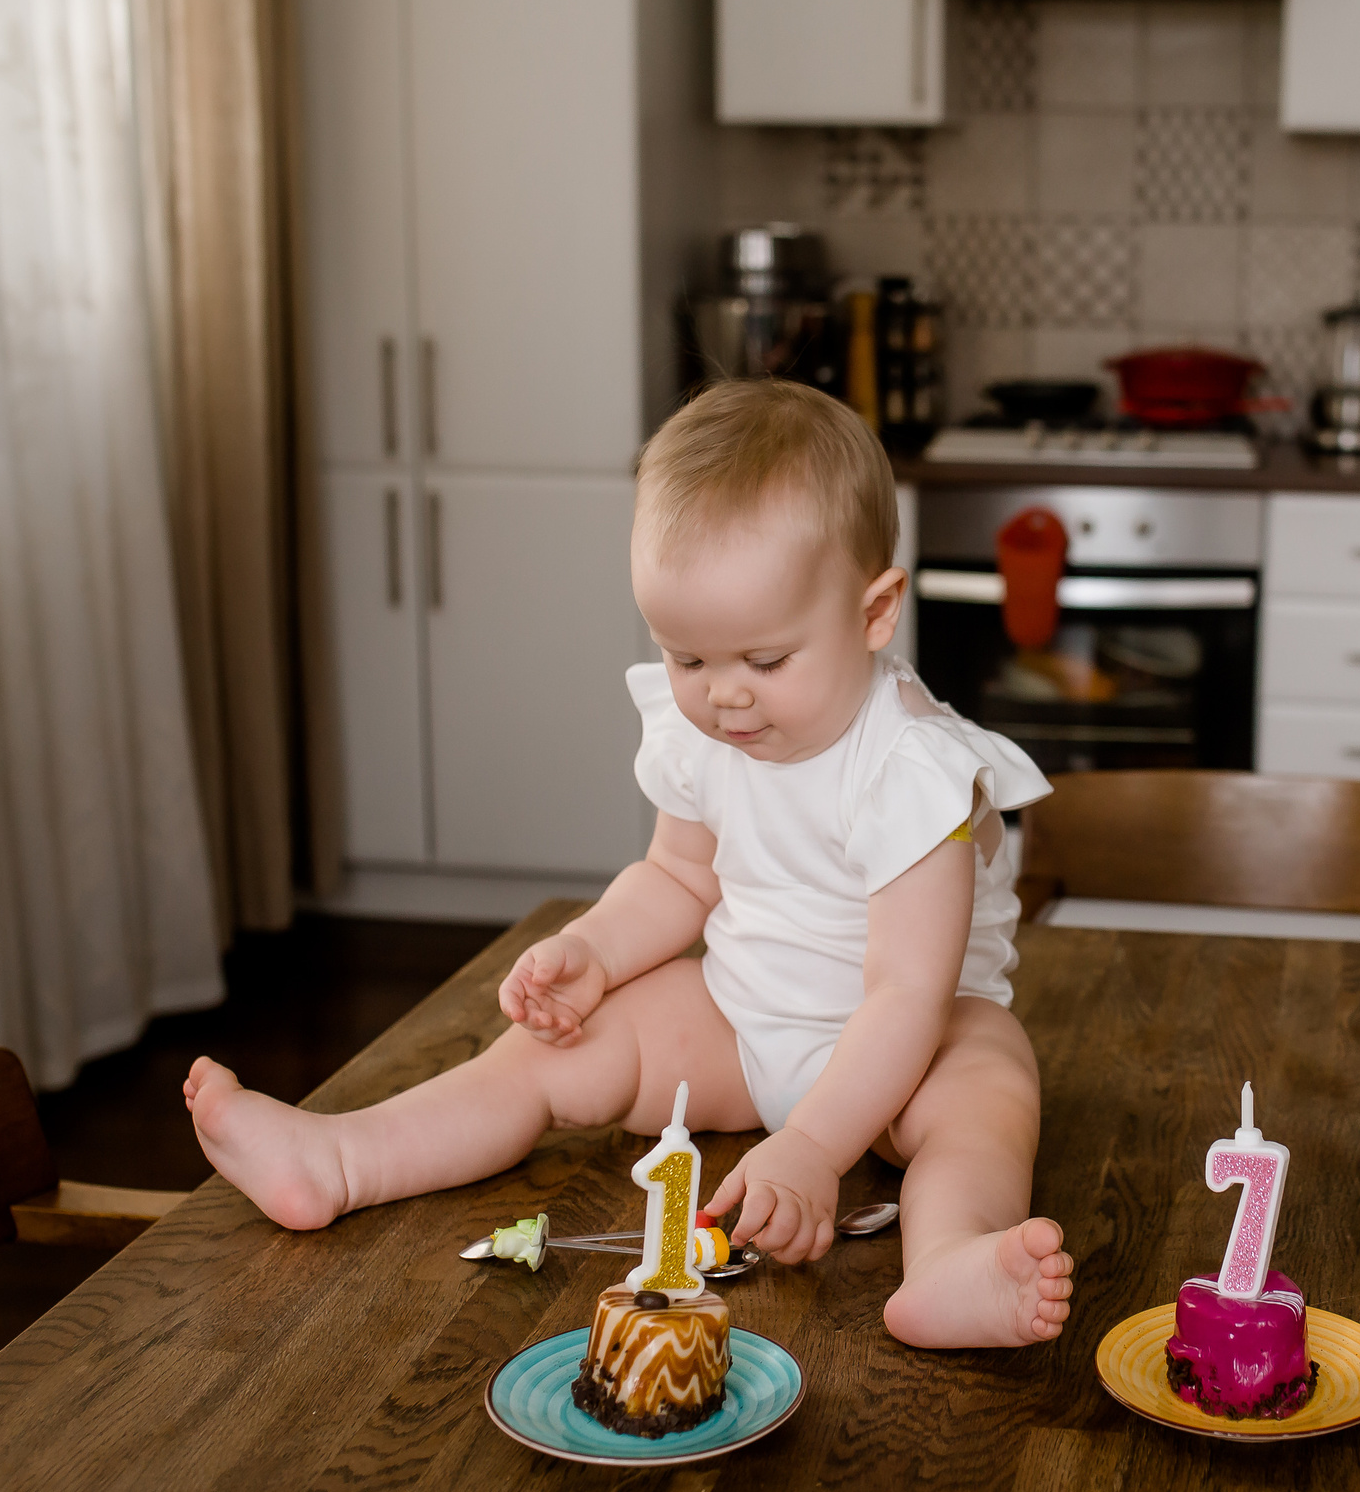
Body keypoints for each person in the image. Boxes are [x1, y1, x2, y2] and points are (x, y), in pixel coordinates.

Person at [185, 379, 1074, 1350]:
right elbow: (678, 878)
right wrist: (596, 952)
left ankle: (948, 1257)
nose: (724, 697)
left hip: (907, 1053)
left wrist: (815, 1146)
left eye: (764, 661)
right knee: (553, 1050)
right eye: (686, 659)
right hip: (741, 1023)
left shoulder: (910, 773)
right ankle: (343, 1158)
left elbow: (908, 992)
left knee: (986, 1089)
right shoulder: (708, 733)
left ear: (875, 612)